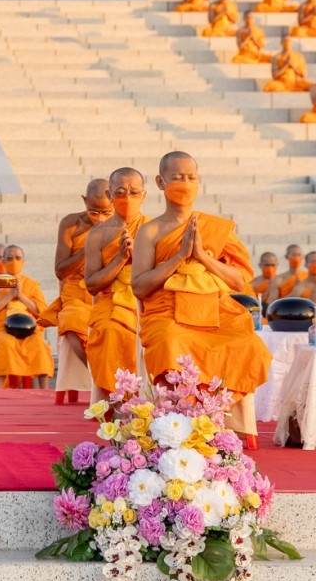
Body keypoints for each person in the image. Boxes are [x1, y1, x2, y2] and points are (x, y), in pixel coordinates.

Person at [131, 152, 269, 419]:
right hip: (167, 314)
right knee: (171, 343)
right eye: (177, 177)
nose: (185, 183)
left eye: (191, 177)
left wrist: (203, 257)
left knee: (249, 344)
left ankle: (214, 415)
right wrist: (180, 256)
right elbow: (139, 287)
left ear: (199, 181)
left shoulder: (215, 228)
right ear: (160, 182)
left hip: (214, 312)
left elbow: (240, 280)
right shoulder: (150, 231)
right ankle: (178, 418)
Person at [79, 169, 149, 397]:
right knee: (109, 333)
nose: (127, 198)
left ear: (144, 195)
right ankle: (119, 401)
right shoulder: (98, 235)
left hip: (148, 300)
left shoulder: (154, 229)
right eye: (120, 192)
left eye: (134, 192)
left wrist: (138, 256)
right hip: (113, 304)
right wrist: (120, 260)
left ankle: (152, 401)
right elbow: (91, 285)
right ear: (110, 195)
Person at [47, 180, 115, 396]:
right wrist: (90, 245)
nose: (100, 217)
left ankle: (114, 381)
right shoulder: (71, 224)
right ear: (84, 201)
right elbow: (60, 271)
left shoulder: (122, 224)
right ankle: (98, 378)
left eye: (106, 211)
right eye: (93, 211)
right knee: (73, 321)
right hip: (76, 292)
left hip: (106, 290)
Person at [0, 244, 53, 388]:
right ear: (3, 261)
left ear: (24, 261)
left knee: (39, 344)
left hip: (28, 328)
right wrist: (10, 295)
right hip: (0, 329)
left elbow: (42, 312)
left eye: (18, 258)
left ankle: (44, 389)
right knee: (6, 343)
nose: (14, 261)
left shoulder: (31, 284)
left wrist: (21, 296)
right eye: (9, 258)